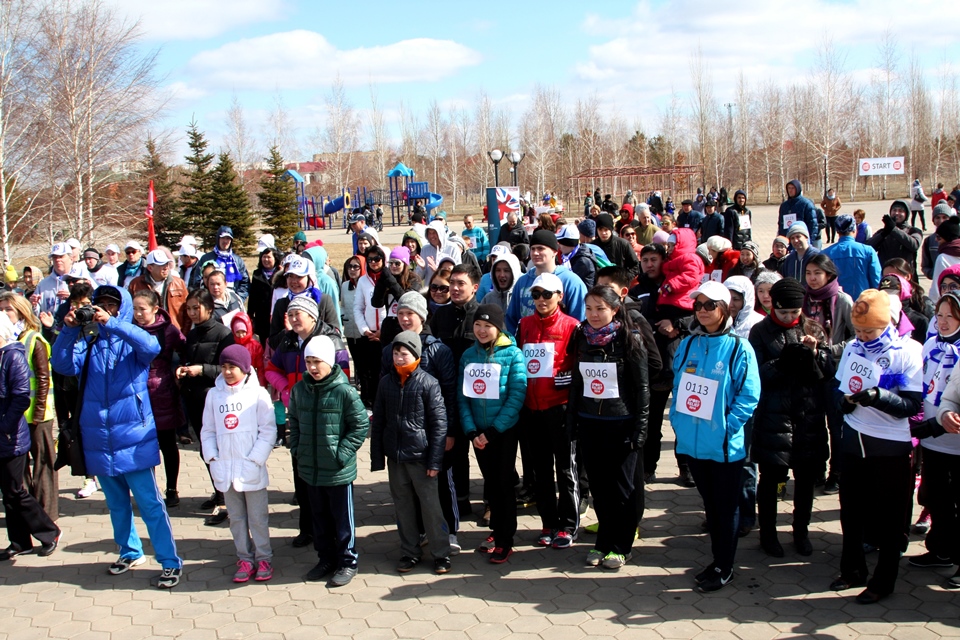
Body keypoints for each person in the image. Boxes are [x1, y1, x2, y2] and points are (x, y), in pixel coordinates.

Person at [52, 286, 182, 587]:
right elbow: (62, 365)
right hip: (98, 438)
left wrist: (114, 324)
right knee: (117, 504)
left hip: (133, 438)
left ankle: (169, 561)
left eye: (112, 305)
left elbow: (151, 348)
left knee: (150, 504)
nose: (103, 310)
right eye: (100, 305)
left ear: (121, 309)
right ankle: (130, 551)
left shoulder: (130, 339)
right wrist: (69, 331)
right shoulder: (89, 340)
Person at [831, 290, 922, 604]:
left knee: (890, 517)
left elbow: (912, 404)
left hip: (890, 444)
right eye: (858, 330)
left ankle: (884, 580)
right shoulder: (854, 348)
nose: (863, 336)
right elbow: (841, 388)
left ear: (886, 324)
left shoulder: (908, 350)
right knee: (852, 510)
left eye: (869, 331)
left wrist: (879, 397)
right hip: (855, 438)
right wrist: (843, 403)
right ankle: (852, 568)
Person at [669, 280, 761, 592]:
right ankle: (716, 560)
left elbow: (749, 397)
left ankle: (725, 565)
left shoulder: (738, 347)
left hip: (724, 448)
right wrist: (680, 425)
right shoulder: (689, 344)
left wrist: (727, 427)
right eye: (699, 305)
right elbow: (678, 385)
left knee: (726, 508)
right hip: (694, 445)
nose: (703, 311)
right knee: (711, 506)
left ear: (724, 309)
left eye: (711, 305)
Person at [749, 278, 832, 558]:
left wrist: (815, 354)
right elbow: (758, 374)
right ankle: (768, 534)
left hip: (808, 415)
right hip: (775, 415)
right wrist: (785, 360)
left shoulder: (813, 329)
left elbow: (826, 375)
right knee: (772, 478)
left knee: (806, 479)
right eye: (783, 312)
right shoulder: (760, 332)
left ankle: (801, 531)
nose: (788, 318)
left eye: (794, 313)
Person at [568, 286, 649, 570]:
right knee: (600, 488)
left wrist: (640, 429)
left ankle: (621, 545)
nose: (594, 314)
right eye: (589, 308)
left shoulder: (630, 339)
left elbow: (642, 388)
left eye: (600, 308)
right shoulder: (582, 337)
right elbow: (577, 384)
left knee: (622, 488)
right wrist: (572, 421)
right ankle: (602, 540)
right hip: (591, 423)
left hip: (621, 422)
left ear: (614, 309)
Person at [288, 335, 369, 587]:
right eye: (308, 361)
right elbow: (295, 422)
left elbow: (360, 425)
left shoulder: (344, 391)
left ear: (330, 362)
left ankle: (348, 561)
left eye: (318, 362)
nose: (312, 367)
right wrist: (298, 450)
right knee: (319, 519)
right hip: (310, 469)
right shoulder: (300, 390)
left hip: (337, 471)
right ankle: (325, 559)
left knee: (341, 520)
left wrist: (340, 454)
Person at [371, 331, 452, 575]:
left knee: (430, 506)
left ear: (415, 355)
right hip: (396, 457)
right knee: (403, 506)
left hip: (421, 457)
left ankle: (441, 554)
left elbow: (439, 424)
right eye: (395, 353)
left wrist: (435, 460)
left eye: (404, 353)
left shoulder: (428, 382)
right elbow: (379, 420)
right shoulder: (386, 382)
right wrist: (377, 457)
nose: (399, 358)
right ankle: (409, 552)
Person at [201, 344, 277, 583]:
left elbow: (267, 431)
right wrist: (212, 457)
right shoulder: (214, 395)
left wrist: (255, 458)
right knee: (236, 518)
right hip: (226, 468)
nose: (227, 371)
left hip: (251, 467)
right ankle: (244, 558)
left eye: (232, 367)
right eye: (223, 367)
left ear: (244, 368)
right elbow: (208, 430)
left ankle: (263, 557)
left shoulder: (258, 394)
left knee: (257, 517)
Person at [516, 273, 580, 550]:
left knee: (566, 469)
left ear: (560, 296)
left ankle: (568, 525)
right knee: (540, 470)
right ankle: (548, 522)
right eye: (536, 294)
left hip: (560, 408)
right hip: (532, 409)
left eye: (547, 294)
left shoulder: (573, 326)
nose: (541, 300)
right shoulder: (524, 324)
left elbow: (579, 369)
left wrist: (563, 383)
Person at [458, 304, 527, 563]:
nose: (482, 330)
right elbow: (462, 397)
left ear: (498, 328)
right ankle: (496, 531)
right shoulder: (468, 356)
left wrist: (494, 430)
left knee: (503, 484)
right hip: (478, 434)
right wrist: (472, 430)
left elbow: (517, 394)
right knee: (491, 484)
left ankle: (505, 539)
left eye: (488, 326)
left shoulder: (513, 354)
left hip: (503, 432)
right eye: (478, 325)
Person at [907, 291, 960, 587]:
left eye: (950, 316)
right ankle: (940, 549)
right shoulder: (930, 344)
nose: (942, 322)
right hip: (931, 436)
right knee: (934, 496)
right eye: (939, 315)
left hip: (955, 440)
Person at [0, 312, 61, 562]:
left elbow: (21, 396)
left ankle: (49, 532)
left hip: (10, 436)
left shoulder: (12, 356)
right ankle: (19, 541)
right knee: (8, 492)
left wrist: (5, 426)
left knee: (16, 490)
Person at [178, 289, 234, 524]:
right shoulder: (191, 334)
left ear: (209, 308)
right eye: (188, 308)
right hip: (193, 397)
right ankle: (218, 490)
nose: (192, 313)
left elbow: (230, 369)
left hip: (214, 398)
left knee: (218, 449)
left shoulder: (223, 333)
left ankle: (226, 500)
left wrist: (202, 369)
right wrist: (182, 369)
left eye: (196, 308)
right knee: (205, 449)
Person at [131, 290, 186, 508]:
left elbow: (184, 348)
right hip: (136, 391)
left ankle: (172, 488)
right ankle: (149, 490)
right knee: (144, 444)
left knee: (167, 443)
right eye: (134, 309)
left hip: (163, 390)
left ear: (155, 309)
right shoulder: (131, 329)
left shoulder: (168, 330)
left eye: (142, 309)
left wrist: (181, 371)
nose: (138, 314)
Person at [506, 230, 587, 335]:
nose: (535, 253)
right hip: (528, 346)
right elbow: (512, 318)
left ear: (555, 251)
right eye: (533, 249)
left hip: (561, 346)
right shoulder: (522, 281)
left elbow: (579, 320)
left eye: (541, 248)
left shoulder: (571, 282)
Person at [820, 214, 882, 301]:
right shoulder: (868, 251)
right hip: (862, 302)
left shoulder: (825, 253)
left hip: (835, 303)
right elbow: (876, 279)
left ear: (837, 231)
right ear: (854, 229)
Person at [127, 249, 191, 332]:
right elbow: (129, 311)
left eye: (167, 264)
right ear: (150, 268)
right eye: (161, 265)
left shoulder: (179, 283)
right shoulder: (135, 284)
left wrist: (184, 334)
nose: (166, 267)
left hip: (174, 333)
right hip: (146, 334)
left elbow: (187, 312)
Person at [372, 246, 423, 345]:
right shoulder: (387, 278)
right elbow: (376, 303)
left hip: (406, 324)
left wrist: (390, 281)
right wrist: (381, 283)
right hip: (389, 324)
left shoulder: (414, 280)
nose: (393, 266)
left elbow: (405, 300)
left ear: (405, 264)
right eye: (391, 263)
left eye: (397, 263)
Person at [802, 254, 855, 348]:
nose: (812, 278)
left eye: (817, 273)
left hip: (833, 359)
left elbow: (857, 335)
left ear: (829, 275)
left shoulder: (842, 300)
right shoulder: (803, 297)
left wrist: (833, 350)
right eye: (808, 273)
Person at [866, 200, 923, 276]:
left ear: (906, 214)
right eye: (894, 210)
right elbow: (868, 248)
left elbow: (914, 245)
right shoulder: (883, 232)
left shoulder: (914, 231)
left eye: (900, 211)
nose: (896, 213)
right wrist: (884, 233)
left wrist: (894, 229)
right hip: (885, 275)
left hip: (905, 275)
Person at [195, 227, 250, 301]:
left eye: (228, 238)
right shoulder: (206, 258)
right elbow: (197, 280)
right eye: (223, 238)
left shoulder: (237, 260)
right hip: (210, 300)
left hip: (232, 300)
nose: (225, 241)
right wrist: (205, 297)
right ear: (218, 239)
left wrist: (238, 298)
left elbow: (245, 282)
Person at [249, 248, 282, 345]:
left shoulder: (280, 273)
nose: (266, 260)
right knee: (264, 342)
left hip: (276, 314)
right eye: (264, 257)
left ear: (275, 258)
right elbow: (253, 296)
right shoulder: (257, 274)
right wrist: (250, 314)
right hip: (261, 315)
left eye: (269, 257)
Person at [557, 224, 597, 290]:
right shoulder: (570, 256)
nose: (559, 246)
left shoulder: (582, 261)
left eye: (561, 242)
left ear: (570, 243)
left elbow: (568, 282)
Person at [929, 216, 960, 301]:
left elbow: (936, 289)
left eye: (939, 237)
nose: (936, 239)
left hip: (950, 302)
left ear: (948, 238)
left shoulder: (943, 258)